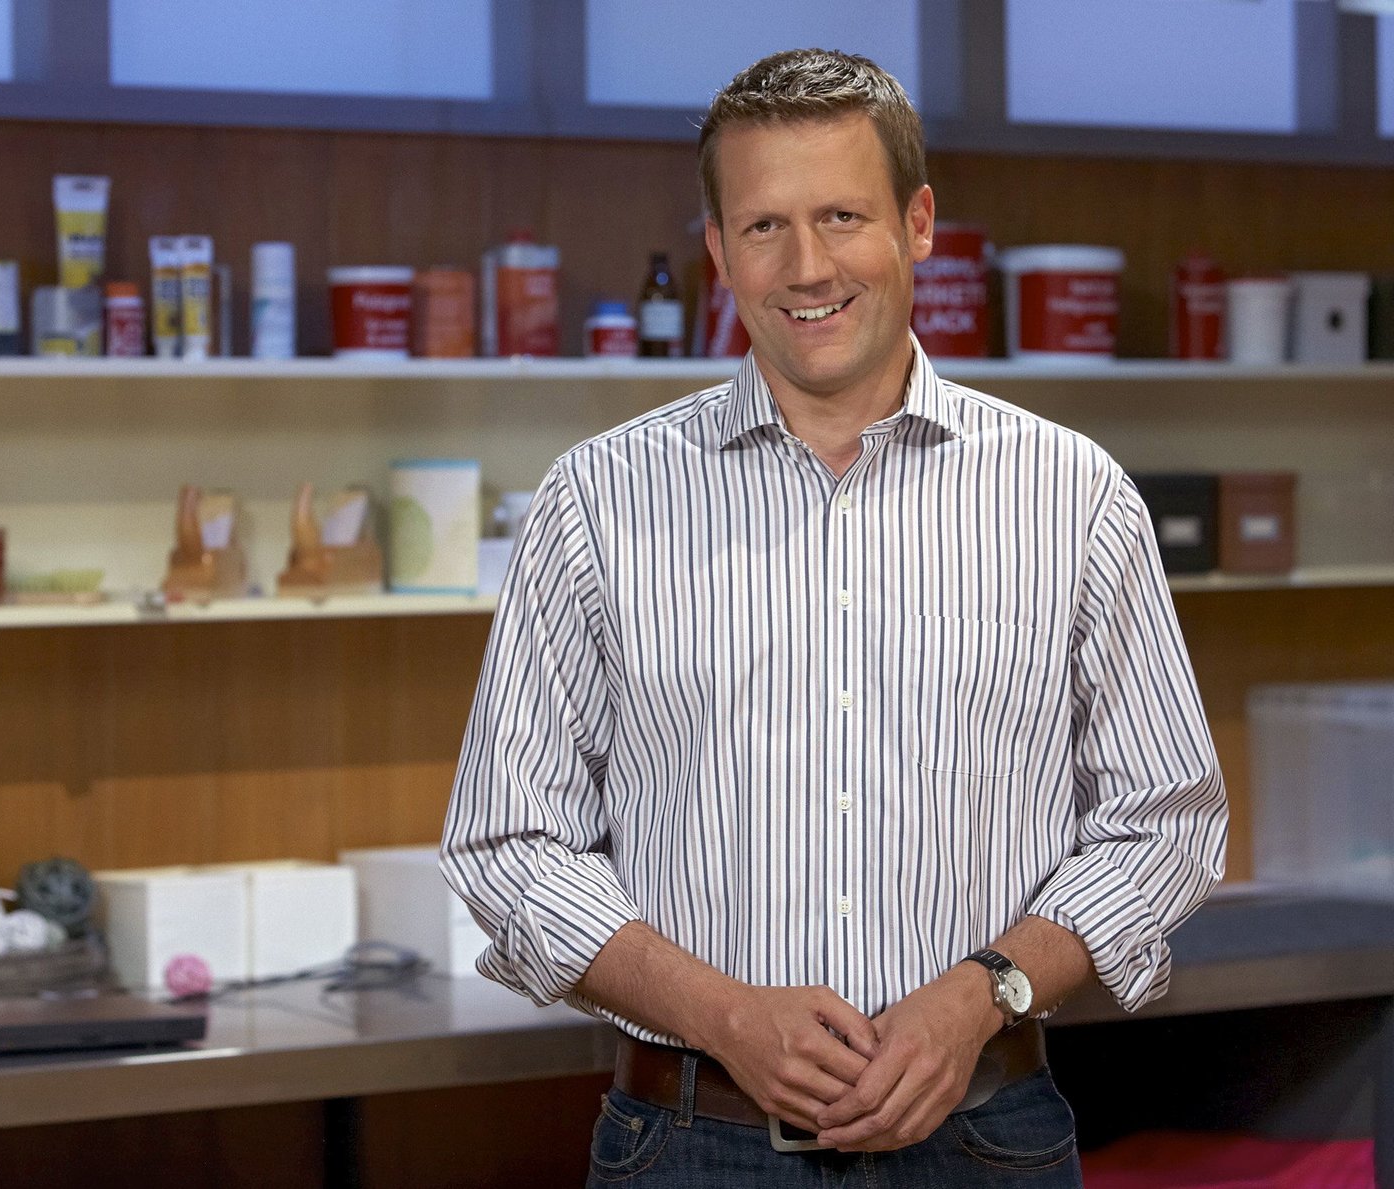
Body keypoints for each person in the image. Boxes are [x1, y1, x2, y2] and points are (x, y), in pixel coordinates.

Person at [441, 47, 1227, 1187]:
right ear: (719, 252)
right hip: (691, 1146)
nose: (806, 267)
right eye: (764, 226)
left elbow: (1165, 822)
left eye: (842, 216)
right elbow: (509, 839)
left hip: (983, 1139)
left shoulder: (1071, 495)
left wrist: (981, 994)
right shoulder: (598, 501)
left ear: (917, 224)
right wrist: (724, 1014)